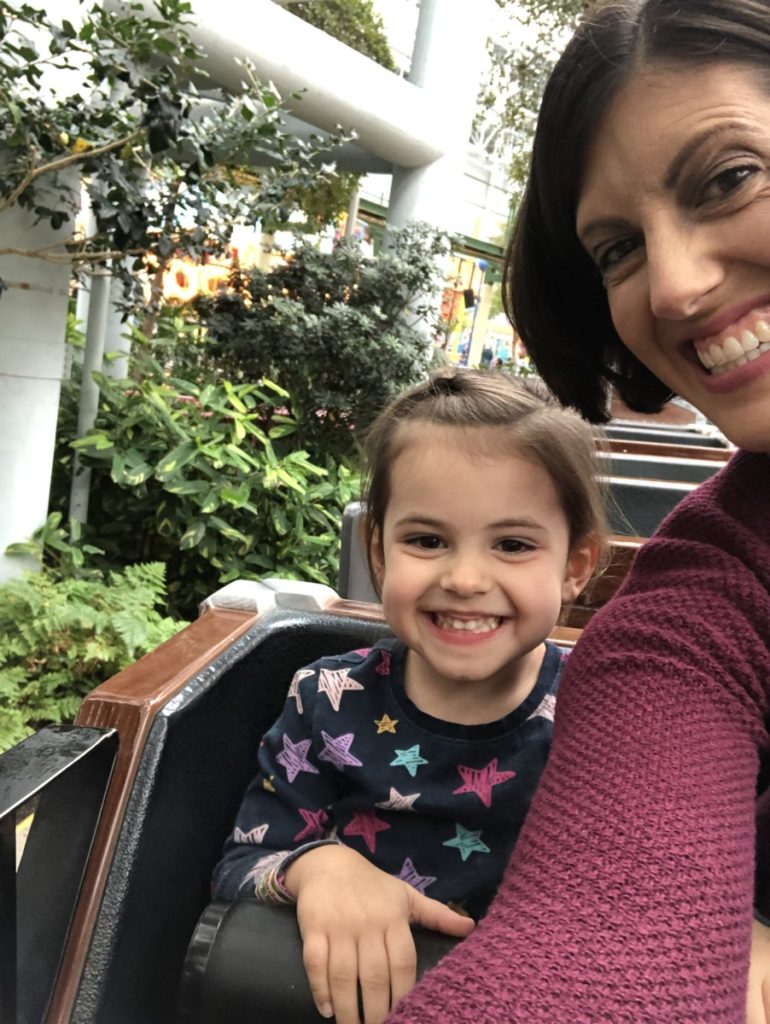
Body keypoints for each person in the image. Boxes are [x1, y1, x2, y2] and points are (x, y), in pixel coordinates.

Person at [387, 1, 770, 1021]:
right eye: (614, 250)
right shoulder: (703, 606)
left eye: (729, 178)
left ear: (572, 561)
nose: (677, 288)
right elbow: (603, 929)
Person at [212, 368, 605, 1024]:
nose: (466, 577)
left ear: (574, 567)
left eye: (512, 545)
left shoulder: (602, 722)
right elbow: (243, 865)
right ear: (379, 552)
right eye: (427, 541)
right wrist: (319, 869)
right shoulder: (326, 698)